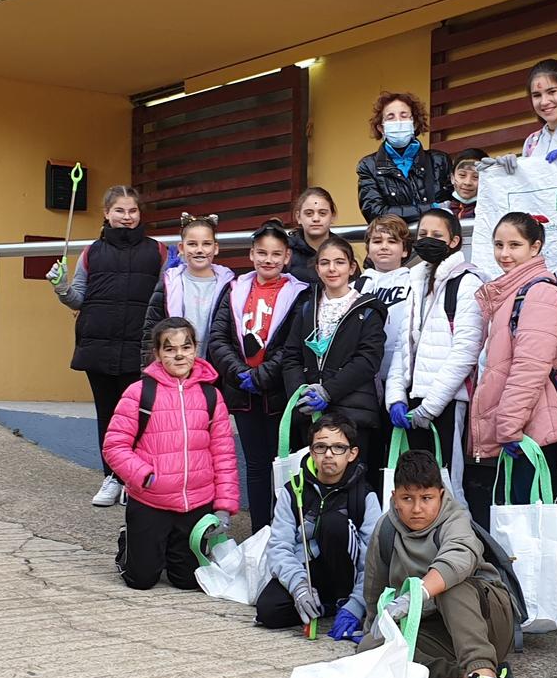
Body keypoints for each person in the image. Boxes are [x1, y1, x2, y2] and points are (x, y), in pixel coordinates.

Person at [359, 450, 518, 678]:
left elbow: (458, 559)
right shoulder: (385, 529)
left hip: (485, 621)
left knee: (448, 585)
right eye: (407, 499)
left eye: (426, 498)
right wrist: (375, 628)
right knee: (370, 651)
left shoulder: (455, 519)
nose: (417, 508)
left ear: (441, 495)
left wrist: (418, 594)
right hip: (436, 627)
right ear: (395, 497)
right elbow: (374, 586)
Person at [99, 318, 239, 591]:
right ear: (157, 353)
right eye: (169, 349)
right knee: (141, 580)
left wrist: (224, 506)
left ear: (196, 349)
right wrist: (146, 476)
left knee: (187, 581)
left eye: (185, 347)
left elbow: (224, 455)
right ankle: (132, 542)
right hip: (152, 499)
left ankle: (168, 552)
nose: (178, 355)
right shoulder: (139, 393)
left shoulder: (211, 396)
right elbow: (114, 446)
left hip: (196, 503)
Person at [53, 185, 167, 508]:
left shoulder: (158, 252)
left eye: (133, 211)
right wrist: (61, 287)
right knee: (108, 415)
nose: (127, 217)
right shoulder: (91, 253)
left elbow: (166, 300)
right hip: (98, 347)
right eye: (120, 211)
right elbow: (77, 297)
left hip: (140, 349)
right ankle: (112, 478)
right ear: (107, 213)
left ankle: (135, 480)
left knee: (140, 417)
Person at [209, 221, 308, 532]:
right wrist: (239, 373)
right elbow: (218, 336)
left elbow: (294, 342)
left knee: (283, 464)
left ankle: (283, 530)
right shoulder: (235, 290)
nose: (269, 259)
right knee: (254, 465)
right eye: (262, 253)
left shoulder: (299, 294)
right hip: (243, 392)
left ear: (287, 257)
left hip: (278, 392)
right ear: (251, 254)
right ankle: (260, 530)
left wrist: (264, 375)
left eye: (276, 254)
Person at [468, 212, 557, 504]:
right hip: (519, 427)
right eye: (498, 245)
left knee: (529, 524)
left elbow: (530, 368)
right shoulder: (511, 292)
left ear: (535, 247)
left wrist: (509, 426)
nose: (504, 254)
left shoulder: (539, 293)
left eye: (514, 245)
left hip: (529, 429)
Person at [384, 208, 484, 499]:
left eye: (436, 235)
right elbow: (404, 344)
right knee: (415, 489)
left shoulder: (467, 282)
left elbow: (465, 352)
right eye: (423, 234)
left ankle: (455, 544)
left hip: (446, 404)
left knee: (447, 488)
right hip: (412, 402)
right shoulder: (415, 280)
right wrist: (395, 398)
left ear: (454, 241)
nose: (427, 240)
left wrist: (431, 407)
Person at [256, 411, 379, 639]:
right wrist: (298, 585)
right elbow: (278, 546)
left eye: (338, 448)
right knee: (268, 611)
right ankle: (323, 605)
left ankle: (344, 603)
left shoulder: (364, 495)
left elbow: (373, 560)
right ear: (312, 451)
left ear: (352, 454)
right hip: (309, 573)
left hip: (347, 576)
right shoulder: (293, 490)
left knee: (333, 522)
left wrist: (357, 604)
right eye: (321, 447)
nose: (329, 455)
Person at [278, 233, 388, 444]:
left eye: (339, 262)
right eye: (325, 263)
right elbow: (291, 356)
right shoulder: (307, 308)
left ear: (352, 268)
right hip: (310, 413)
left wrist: (328, 392)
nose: (332, 269)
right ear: (317, 268)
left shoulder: (368, 309)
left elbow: (368, 360)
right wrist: (299, 393)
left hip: (353, 411)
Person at [359, 215, 415, 480]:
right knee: (368, 453)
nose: (384, 247)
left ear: (404, 249)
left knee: (399, 455)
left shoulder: (415, 282)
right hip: (364, 384)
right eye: (377, 240)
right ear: (368, 247)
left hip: (401, 380)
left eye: (392, 241)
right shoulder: (358, 284)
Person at [141, 213, 234, 363]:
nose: (199, 250)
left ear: (216, 248)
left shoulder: (230, 287)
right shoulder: (168, 284)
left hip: (215, 370)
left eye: (206, 244)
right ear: (181, 248)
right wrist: (148, 371)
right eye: (192, 244)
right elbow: (151, 330)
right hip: (175, 367)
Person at [356, 92, 450, 222]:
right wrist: (431, 208)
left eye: (404, 115)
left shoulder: (439, 160)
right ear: (381, 128)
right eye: (390, 117)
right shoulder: (369, 165)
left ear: (414, 123)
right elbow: (374, 212)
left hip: (434, 240)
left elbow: (453, 205)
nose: (398, 122)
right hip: (394, 240)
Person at [286, 187, 337, 286]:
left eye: (322, 213)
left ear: (332, 216)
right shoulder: (286, 253)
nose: (316, 219)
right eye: (309, 213)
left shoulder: (342, 251)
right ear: (298, 217)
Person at [446, 151, 482, 221]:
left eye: (476, 176)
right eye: (462, 175)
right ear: (452, 178)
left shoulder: (491, 211)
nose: (467, 182)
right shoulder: (442, 209)